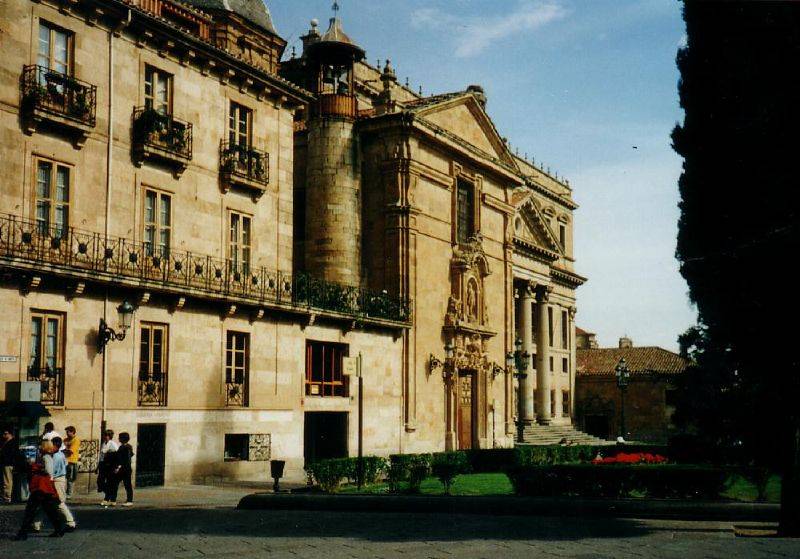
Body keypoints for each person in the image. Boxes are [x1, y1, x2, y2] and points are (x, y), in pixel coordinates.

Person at [13, 439, 65, 539]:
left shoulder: (46, 457)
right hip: (43, 487)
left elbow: (49, 472)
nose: (40, 446)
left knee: (31, 510)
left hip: (41, 487)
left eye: (41, 445)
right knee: (49, 510)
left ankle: (23, 533)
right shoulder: (45, 456)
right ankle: (59, 529)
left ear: (44, 446)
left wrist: (36, 468)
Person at [50, 436, 77, 531]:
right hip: (59, 479)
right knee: (46, 503)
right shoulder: (61, 455)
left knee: (59, 502)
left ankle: (71, 522)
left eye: (51, 445)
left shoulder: (56, 457)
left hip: (57, 480)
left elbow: (52, 471)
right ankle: (36, 524)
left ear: (55, 446)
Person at [109, 432, 134, 507]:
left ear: (123, 438)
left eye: (120, 437)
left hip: (124, 469)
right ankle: (113, 500)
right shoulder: (126, 447)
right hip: (125, 468)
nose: (118, 438)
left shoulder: (125, 447)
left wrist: (118, 467)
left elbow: (124, 459)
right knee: (116, 483)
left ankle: (129, 500)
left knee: (126, 484)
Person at [98, 429, 118, 506]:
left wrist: (116, 466)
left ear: (110, 436)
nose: (105, 437)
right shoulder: (104, 444)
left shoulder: (113, 444)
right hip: (103, 465)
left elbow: (116, 455)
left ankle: (109, 498)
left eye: (107, 436)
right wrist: (98, 466)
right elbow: (102, 456)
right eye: (105, 435)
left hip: (110, 465)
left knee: (110, 482)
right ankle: (109, 495)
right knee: (100, 482)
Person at [62, 426, 80, 498]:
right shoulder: (65, 440)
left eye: (68, 432)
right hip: (64, 461)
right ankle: (63, 493)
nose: (67, 434)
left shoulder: (76, 440)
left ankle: (69, 494)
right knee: (63, 477)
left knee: (70, 478)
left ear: (72, 432)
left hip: (72, 461)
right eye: (66, 432)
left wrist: (63, 450)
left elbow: (70, 451)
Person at [1, 426, 17, 504]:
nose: (3, 435)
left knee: (7, 481)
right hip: (6, 463)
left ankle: (7, 497)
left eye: (4, 433)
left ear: (8, 433)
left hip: (8, 463)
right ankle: (6, 496)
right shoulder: (7, 442)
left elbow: (10, 454)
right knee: (6, 480)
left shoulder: (12, 442)